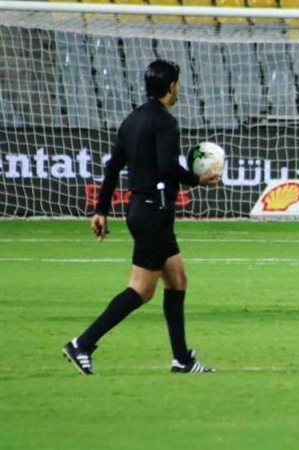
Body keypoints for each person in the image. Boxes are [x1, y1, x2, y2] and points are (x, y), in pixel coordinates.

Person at [62, 60, 219, 375]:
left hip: (141, 209)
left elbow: (112, 167)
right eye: (178, 84)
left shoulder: (132, 120)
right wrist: (196, 179)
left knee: (177, 279)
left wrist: (101, 210)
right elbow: (166, 166)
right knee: (141, 289)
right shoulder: (165, 122)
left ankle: (181, 359)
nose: (179, 89)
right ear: (171, 86)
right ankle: (82, 344)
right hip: (154, 212)